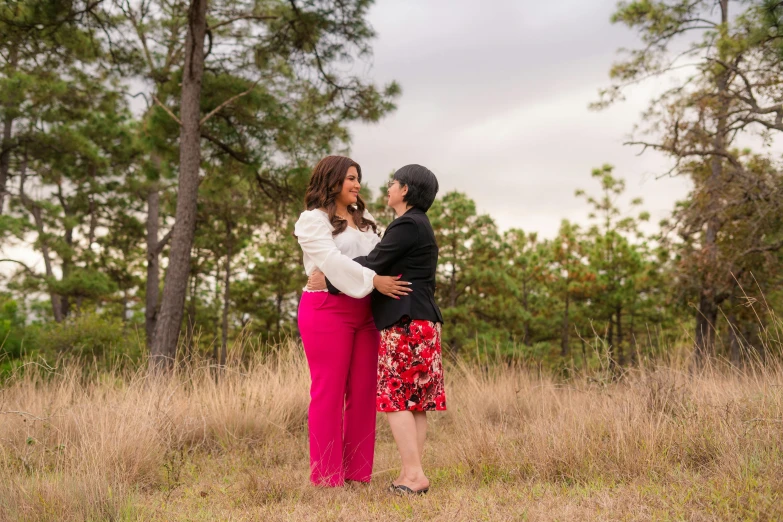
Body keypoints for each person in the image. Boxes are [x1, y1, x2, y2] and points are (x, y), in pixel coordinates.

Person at [308, 164, 445, 495]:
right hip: (423, 320)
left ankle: (413, 476)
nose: (387, 188)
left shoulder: (406, 225)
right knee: (414, 401)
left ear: (406, 191)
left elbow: (373, 263)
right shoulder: (418, 224)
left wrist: (329, 280)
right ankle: (411, 473)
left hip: (406, 321)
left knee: (397, 401)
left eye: (393, 183)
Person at [294, 156, 412, 487]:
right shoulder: (312, 220)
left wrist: (371, 278)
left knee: (363, 393)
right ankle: (327, 478)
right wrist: (373, 279)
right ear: (330, 181)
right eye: (350, 178)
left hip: (366, 312)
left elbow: (382, 256)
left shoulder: (366, 219)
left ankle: (358, 474)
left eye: (358, 177)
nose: (357, 184)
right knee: (328, 392)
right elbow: (330, 260)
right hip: (326, 309)